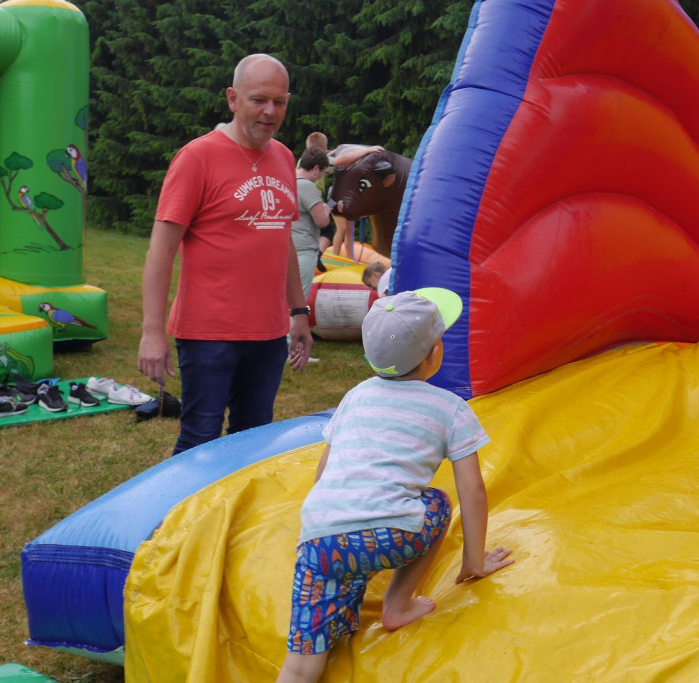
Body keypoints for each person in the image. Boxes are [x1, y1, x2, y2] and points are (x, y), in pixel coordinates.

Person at [277, 288, 515, 682]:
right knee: (436, 502)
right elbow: (472, 490)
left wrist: (329, 516)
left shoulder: (354, 397)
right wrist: (474, 561)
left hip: (320, 538)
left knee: (299, 667)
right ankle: (397, 604)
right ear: (434, 353)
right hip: (388, 535)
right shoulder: (450, 407)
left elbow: (324, 471)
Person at [137, 53, 312, 455]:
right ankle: (182, 519)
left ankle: (237, 519)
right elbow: (161, 250)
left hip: (268, 335)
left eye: (280, 102)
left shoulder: (284, 157)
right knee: (200, 439)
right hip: (208, 333)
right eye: (258, 100)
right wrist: (151, 332)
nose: (270, 112)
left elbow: (280, 236)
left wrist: (298, 312)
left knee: (253, 440)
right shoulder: (198, 157)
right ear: (233, 99)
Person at [292, 147, 332, 298]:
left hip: (287, 249)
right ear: (316, 168)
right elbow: (322, 222)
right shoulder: (307, 186)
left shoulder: (288, 180)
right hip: (304, 250)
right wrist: (326, 211)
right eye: (322, 172)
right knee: (298, 301)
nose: (320, 176)